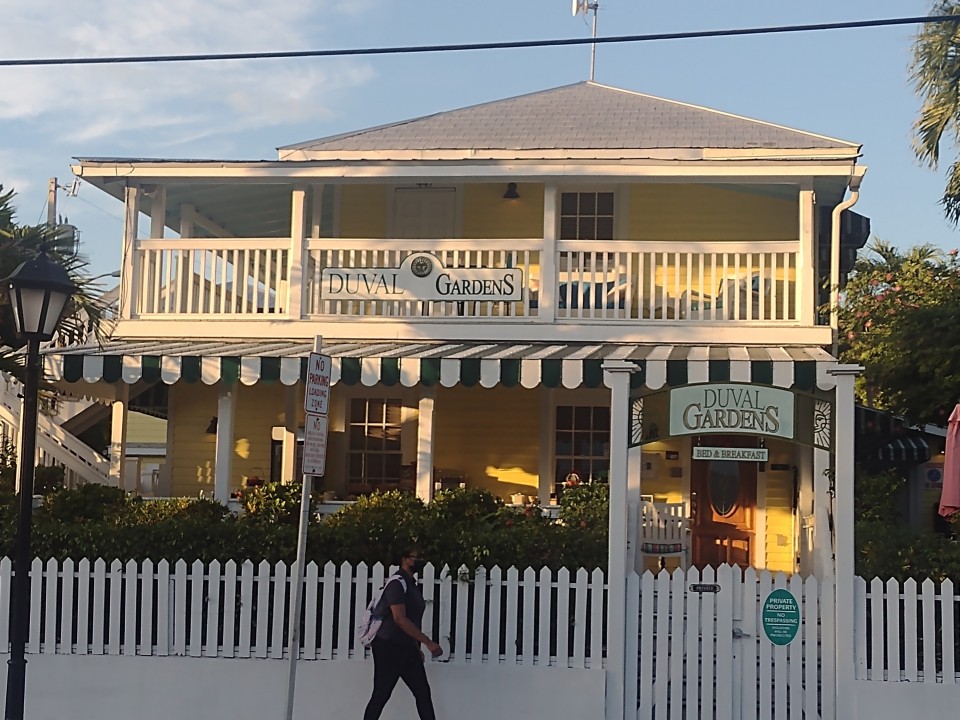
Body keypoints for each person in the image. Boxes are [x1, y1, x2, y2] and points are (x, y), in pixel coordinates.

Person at [362, 545, 444, 720]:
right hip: (388, 646)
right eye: (416, 557)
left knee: (422, 693)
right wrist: (428, 642)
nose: (420, 561)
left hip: (407, 647)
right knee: (381, 694)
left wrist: (416, 647)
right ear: (405, 560)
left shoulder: (411, 584)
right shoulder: (396, 584)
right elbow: (399, 618)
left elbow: (413, 620)